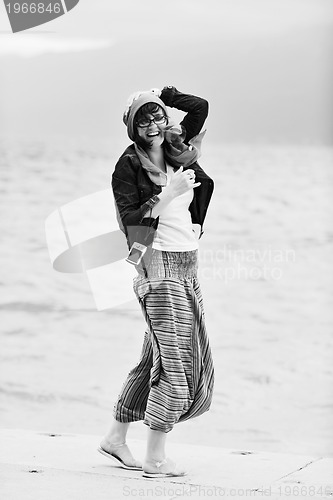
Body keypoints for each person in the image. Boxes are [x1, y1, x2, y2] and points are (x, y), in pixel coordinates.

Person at [98, 85, 214, 478]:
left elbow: (200, 107)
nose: (152, 124)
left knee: (155, 357)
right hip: (157, 266)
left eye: (157, 116)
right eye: (143, 118)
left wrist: (168, 95)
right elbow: (133, 220)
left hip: (187, 261)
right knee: (176, 362)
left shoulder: (178, 148)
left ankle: (115, 438)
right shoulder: (128, 165)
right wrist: (169, 192)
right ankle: (156, 457)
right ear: (132, 126)